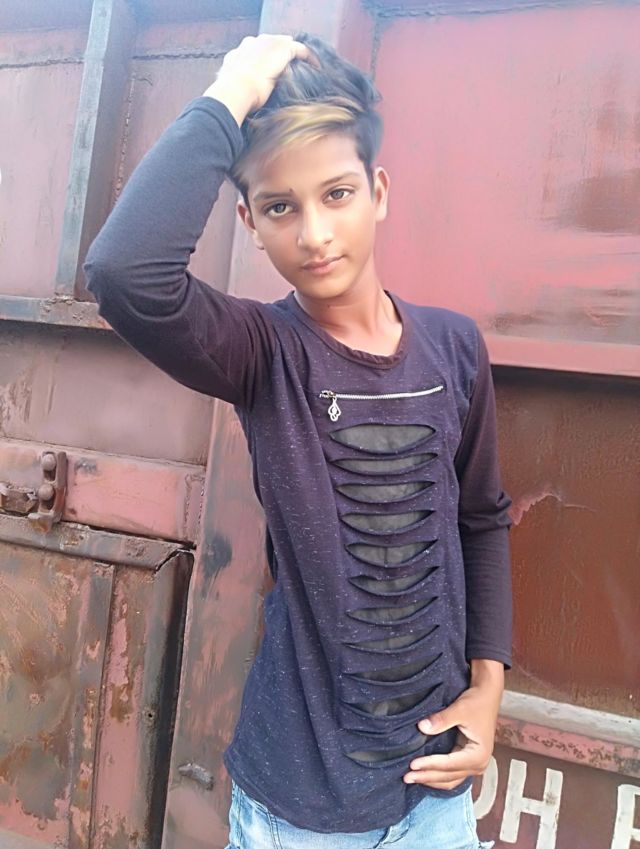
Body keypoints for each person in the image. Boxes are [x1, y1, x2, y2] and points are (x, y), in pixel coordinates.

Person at [84, 31, 510, 849]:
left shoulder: (455, 349)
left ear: (378, 192)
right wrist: (235, 87)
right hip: (301, 815)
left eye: (337, 193)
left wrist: (489, 687)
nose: (314, 232)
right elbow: (124, 273)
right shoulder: (263, 353)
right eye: (281, 206)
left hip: (438, 795)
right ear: (249, 220)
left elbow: (482, 518)